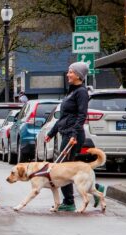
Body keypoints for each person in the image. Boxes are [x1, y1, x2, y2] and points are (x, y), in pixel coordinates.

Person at [44, 62, 105, 212]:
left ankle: (69, 202)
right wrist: (51, 134)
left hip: (73, 135)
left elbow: (81, 115)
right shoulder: (71, 91)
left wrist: (73, 135)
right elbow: (63, 117)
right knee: (66, 169)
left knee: (63, 170)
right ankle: (96, 188)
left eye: (70, 72)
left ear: (78, 75)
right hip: (66, 133)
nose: (67, 74)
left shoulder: (82, 93)